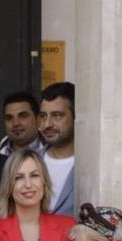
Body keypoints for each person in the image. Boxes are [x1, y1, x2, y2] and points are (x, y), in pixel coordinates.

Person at [38, 82, 79, 216]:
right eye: (43, 116)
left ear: (76, 118)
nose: (47, 124)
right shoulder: (27, 162)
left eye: (57, 115)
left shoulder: (91, 167)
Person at [0, 90, 41, 155]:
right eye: (9, 118)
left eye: (23, 116)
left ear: (38, 119)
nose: (15, 123)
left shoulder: (53, 154)